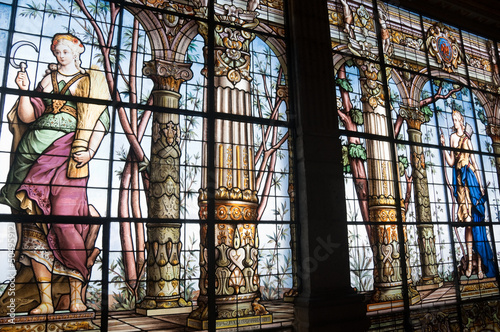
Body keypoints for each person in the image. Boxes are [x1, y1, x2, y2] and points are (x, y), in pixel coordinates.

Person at [0, 33, 109, 314]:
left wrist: (90, 152)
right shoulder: (46, 81)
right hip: (33, 153)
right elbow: (27, 117)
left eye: (65, 51)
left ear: (78, 51)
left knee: (66, 221)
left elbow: (99, 120)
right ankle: (46, 300)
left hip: (70, 156)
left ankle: (76, 296)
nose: (60, 55)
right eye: (57, 51)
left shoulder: (90, 82)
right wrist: (24, 89)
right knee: (35, 224)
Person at [440, 110, 495, 279]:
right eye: (453, 120)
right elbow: (451, 162)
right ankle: (470, 263)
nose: (455, 122)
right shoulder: (452, 138)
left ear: (462, 121)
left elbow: (475, 163)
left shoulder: (467, 139)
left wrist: (480, 185)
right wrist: (442, 146)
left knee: (477, 223)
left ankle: (479, 266)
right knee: (469, 223)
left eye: (457, 119)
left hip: (471, 180)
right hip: (460, 183)